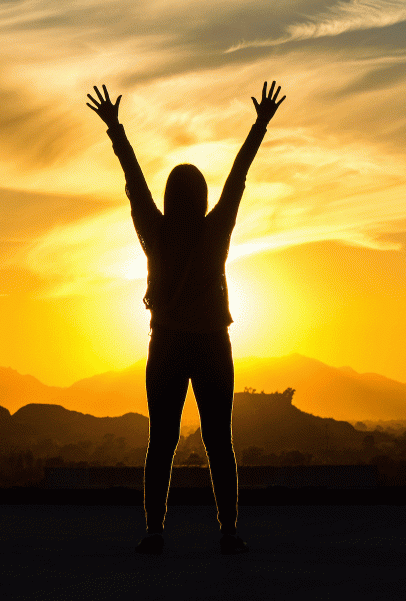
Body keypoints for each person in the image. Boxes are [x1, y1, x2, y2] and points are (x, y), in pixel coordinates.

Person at [86, 82, 285, 555]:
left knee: (162, 442)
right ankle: (229, 530)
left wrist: (116, 130)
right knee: (220, 442)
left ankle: (154, 531)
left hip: (168, 344)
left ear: (170, 195)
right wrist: (258, 127)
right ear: (201, 196)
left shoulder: (155, 232)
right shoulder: (216, 231)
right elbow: (238, 180)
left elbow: (134, 184)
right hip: (214, 344)